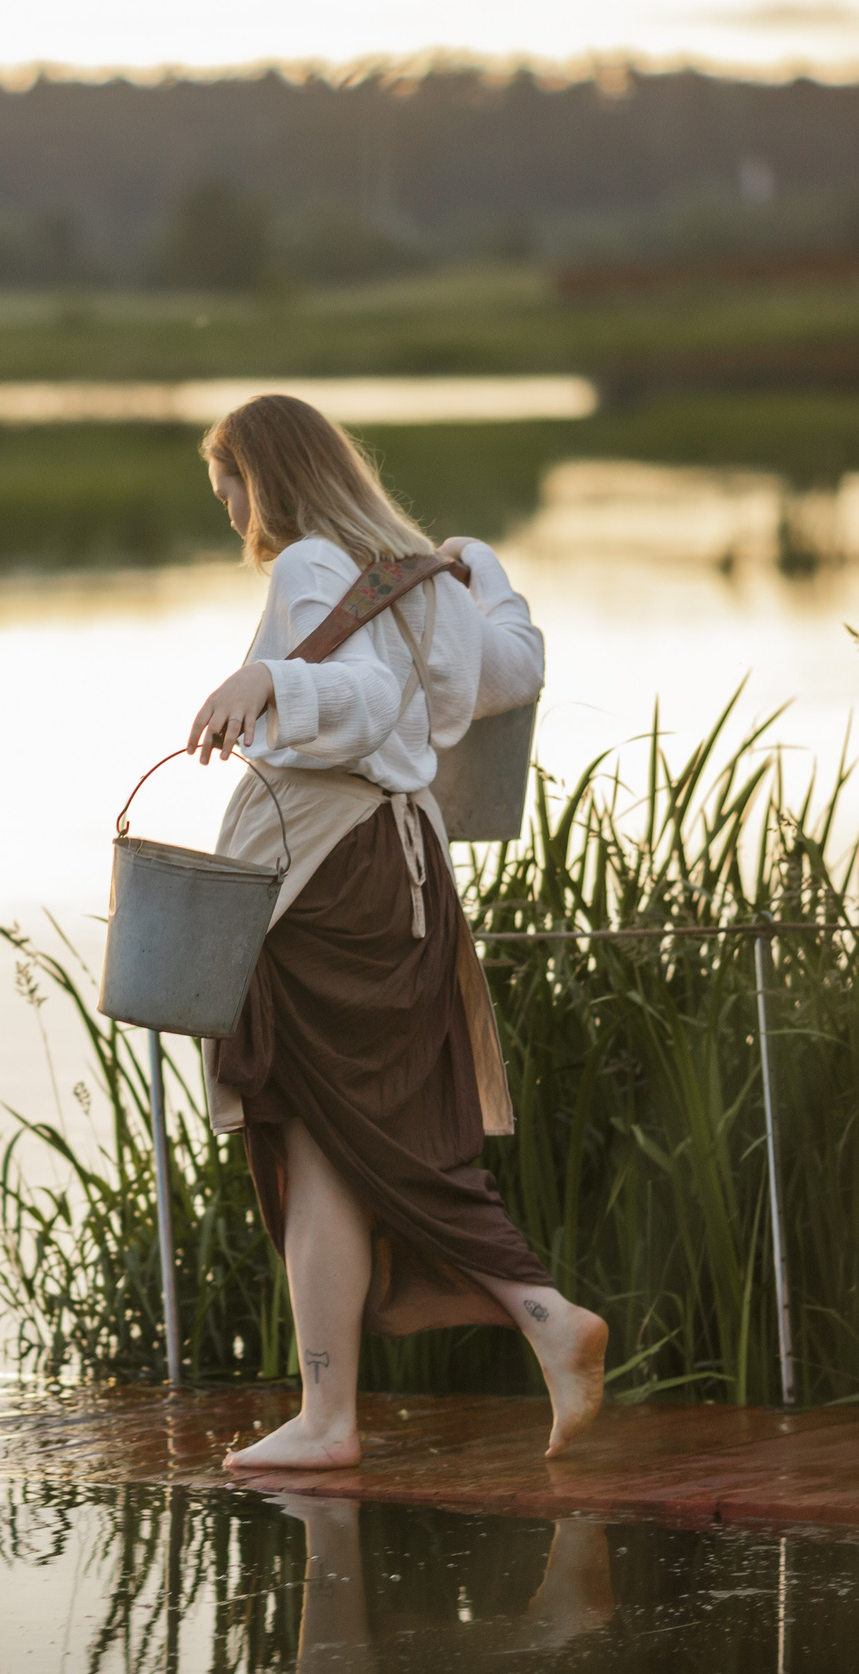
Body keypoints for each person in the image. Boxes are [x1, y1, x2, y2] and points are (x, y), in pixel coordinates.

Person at [186, 392, 608, 1471]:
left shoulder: (308, 566)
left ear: (261, 476)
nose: (227, 508)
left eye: (226, 483)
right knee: (328, 1136)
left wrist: (267, 679)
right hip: (398, 871)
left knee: (365, 1133)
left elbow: (364, 696)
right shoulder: (418, 578)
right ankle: (329, 1420)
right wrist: (479, 565)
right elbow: (513, 669)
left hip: (326, 875)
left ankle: (543, 1315)